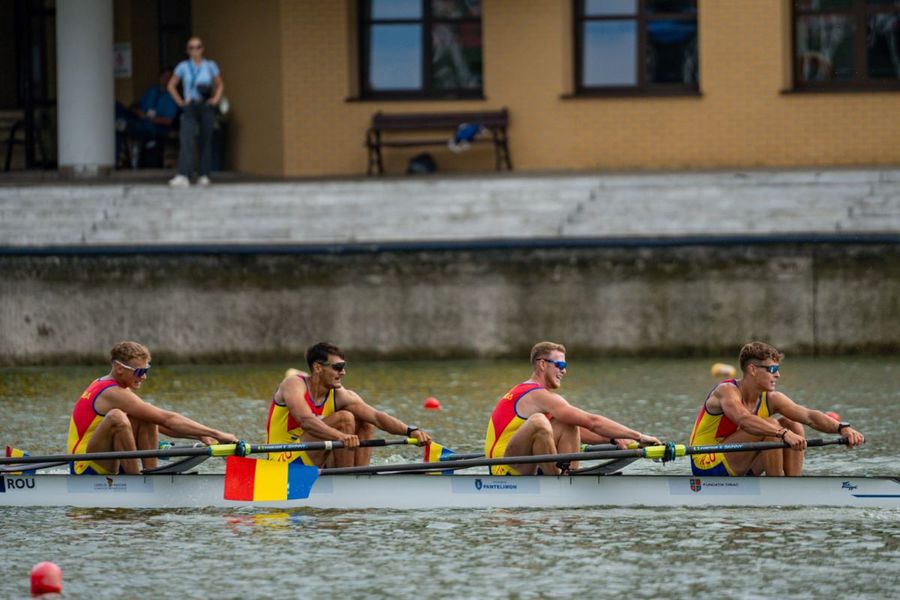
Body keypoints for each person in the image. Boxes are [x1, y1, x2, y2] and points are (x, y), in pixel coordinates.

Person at [689, 341, 865, 477]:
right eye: (772, 369)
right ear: (752, 369)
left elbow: (809, 416)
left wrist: (842, 428)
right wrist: (782, 433)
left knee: (793, 423)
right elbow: (744, 420)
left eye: (777, 369)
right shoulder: (726, 391)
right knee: (772, 426)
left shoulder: (771, 399)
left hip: (739, 460)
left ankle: (791, 485)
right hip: (707, 462)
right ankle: (777, 488)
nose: (777, 375)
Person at [484, 341, 661, 475]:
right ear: (542, 364)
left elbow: (580, 432)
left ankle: (568, 476)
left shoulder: (539, 396)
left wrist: (614, 439)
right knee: (539, 422)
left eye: (565, 366)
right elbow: (592, 421)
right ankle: (559, 484)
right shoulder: (535, 394)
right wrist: (639, 436)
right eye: (560, 365)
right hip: (502, 469)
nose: (564, 371)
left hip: (521, 461)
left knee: (569, 424)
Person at [67, 341, 238, 475]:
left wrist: (200, 435)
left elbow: (160, 423)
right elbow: (168, 419)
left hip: (105, 456)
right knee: (116, 417)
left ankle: (150, 474)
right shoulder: (111, 392)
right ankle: (137, 483)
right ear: (119, 368)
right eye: (139, 372)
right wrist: (218, 434)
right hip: (85, 464)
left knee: (146, 414)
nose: (144, 377)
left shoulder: (114, 386)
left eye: (146, 370)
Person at [266, 342, 432, 468]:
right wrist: (341, 436)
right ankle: (346, 481)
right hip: (282, 460)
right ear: (317, 367)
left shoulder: (339, 394)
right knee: (345, 419)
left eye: (343, 367)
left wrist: (411, 431)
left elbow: (377, 417)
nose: (343, 373)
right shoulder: (294, 384)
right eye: (338, 367)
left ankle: (359, 476)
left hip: (314, 455)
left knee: (365, 421)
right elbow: (305, 420)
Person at [167, 36, 224, 187]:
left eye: (198, 47)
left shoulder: (210, 65)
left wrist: (215, 99)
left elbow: (219, 84)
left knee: (205, 139)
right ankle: (183, 174)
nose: (195, 51)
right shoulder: (183, 66)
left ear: (203, 49)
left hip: (205, 105)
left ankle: (204, 174)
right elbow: (171, 85)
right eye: (191, 48)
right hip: (190, 105)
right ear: (187, 50)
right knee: (186, 139)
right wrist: (180, 102)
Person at [115, 67, 179, 168]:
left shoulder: (171, 97)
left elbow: (168, 121)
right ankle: (119, 125)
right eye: (164, 77)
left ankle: (122, 124)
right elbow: (139, 104)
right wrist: (137, 110)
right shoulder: (153, 90)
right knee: (116, 107)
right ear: (160, 78)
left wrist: (148, 118)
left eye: (169, 78)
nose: (166, 80)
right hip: (139, 119)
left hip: (154, 127)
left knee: (127, 127)